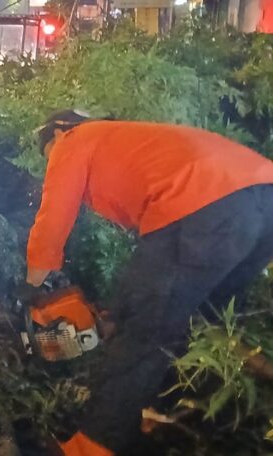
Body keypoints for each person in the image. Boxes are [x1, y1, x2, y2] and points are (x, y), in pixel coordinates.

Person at [26, 110, 273, 456]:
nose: (50, 160)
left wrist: (32, 282)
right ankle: (173, 408)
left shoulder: (74, 139)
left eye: (47, 152)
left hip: (202, 204)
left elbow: (54, 216)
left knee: (141, 329)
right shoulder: (133, 141)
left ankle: (92, 445)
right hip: (263, 198)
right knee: (202, 319)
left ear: (59, 129)